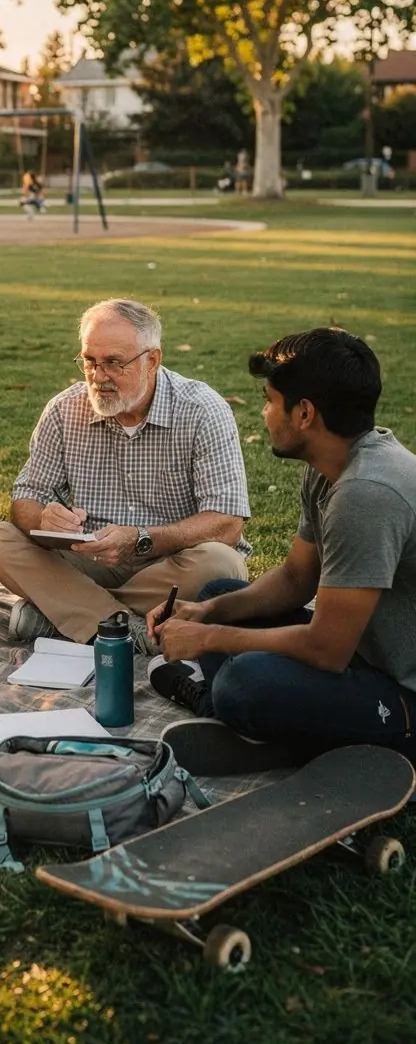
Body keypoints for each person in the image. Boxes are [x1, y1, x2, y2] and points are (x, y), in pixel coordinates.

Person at [146, 328, 416, 768]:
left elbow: (326, 649)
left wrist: (208, 638)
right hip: (365, 653)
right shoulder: (330, 466)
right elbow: (295, 578)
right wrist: (206, 616)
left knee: (245, 684)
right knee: (217, 596)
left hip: (403, 694)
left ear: (305, 413)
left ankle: (242, 722)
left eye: (270, 400)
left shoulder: (366, 493)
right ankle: (269, 725)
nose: (265, 413)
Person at [0, 299, 250, 652]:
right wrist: (43, 517)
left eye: (114, 363)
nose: (98, 376)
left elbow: (227, 524)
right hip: (90, 560)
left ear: (152, 360)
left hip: (170, 563)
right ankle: (131, 629)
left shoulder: (202, 410)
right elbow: (25, 501)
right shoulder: (64, 410)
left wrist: (140, 538)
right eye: (89, 361)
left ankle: (67, 614)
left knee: (222, 565)